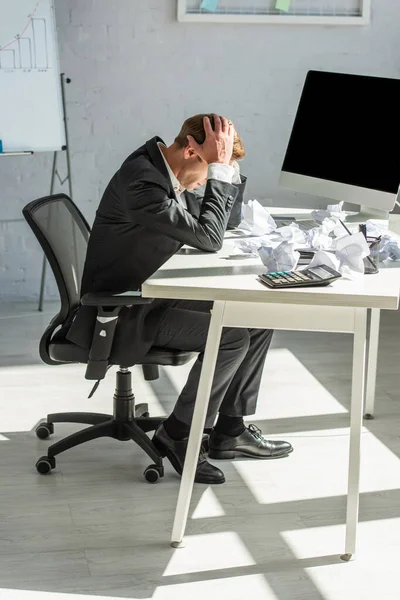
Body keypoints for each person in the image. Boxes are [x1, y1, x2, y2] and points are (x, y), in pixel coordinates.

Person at [67, 114, 293, 485]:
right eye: (208, 169)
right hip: (120, 311)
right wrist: (217, 171)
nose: (206, 182)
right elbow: (209, 237)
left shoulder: (166, 169)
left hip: (152, 295)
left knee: (257, 314)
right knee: (230, 337)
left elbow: (225, 224)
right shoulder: (143, 181)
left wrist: (225, 170)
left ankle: (230, 431)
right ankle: (179, 434)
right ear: (191, 150)